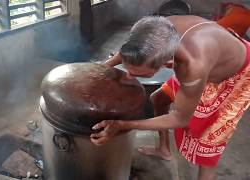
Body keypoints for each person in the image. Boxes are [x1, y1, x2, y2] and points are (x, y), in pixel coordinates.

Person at [90, 15, 250, 180]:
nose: (128, 77)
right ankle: (164, 150)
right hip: (210, 55)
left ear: (164, 64)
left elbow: (181, 119)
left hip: (237, 75)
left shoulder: (192, 66)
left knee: (207, 145)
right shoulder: (158, 30)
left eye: (138, 74)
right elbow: (129, 51)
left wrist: (123, 125)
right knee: (158, 99)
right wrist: (101, 67)